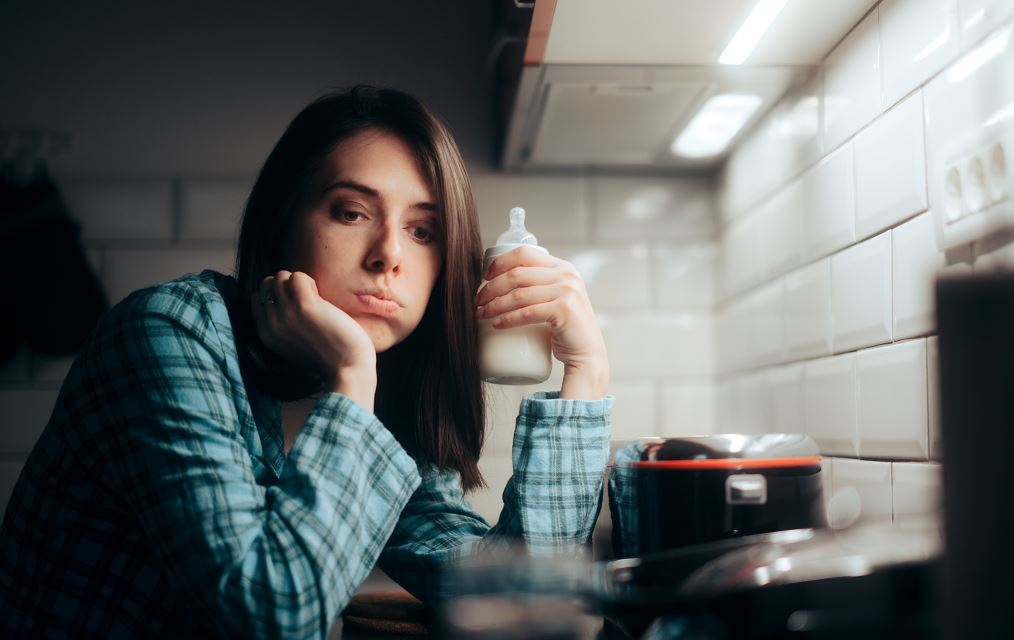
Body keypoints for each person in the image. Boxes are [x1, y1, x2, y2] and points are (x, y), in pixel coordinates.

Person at [0, 86, 612, 638]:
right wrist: (351, 375)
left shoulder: (388, 393)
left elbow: (520, 596)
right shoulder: (167, 333)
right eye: (351, 212)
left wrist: (585, 372)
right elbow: (271, 618)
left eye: (423, 231)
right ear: (281, 220)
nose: (389, 256)